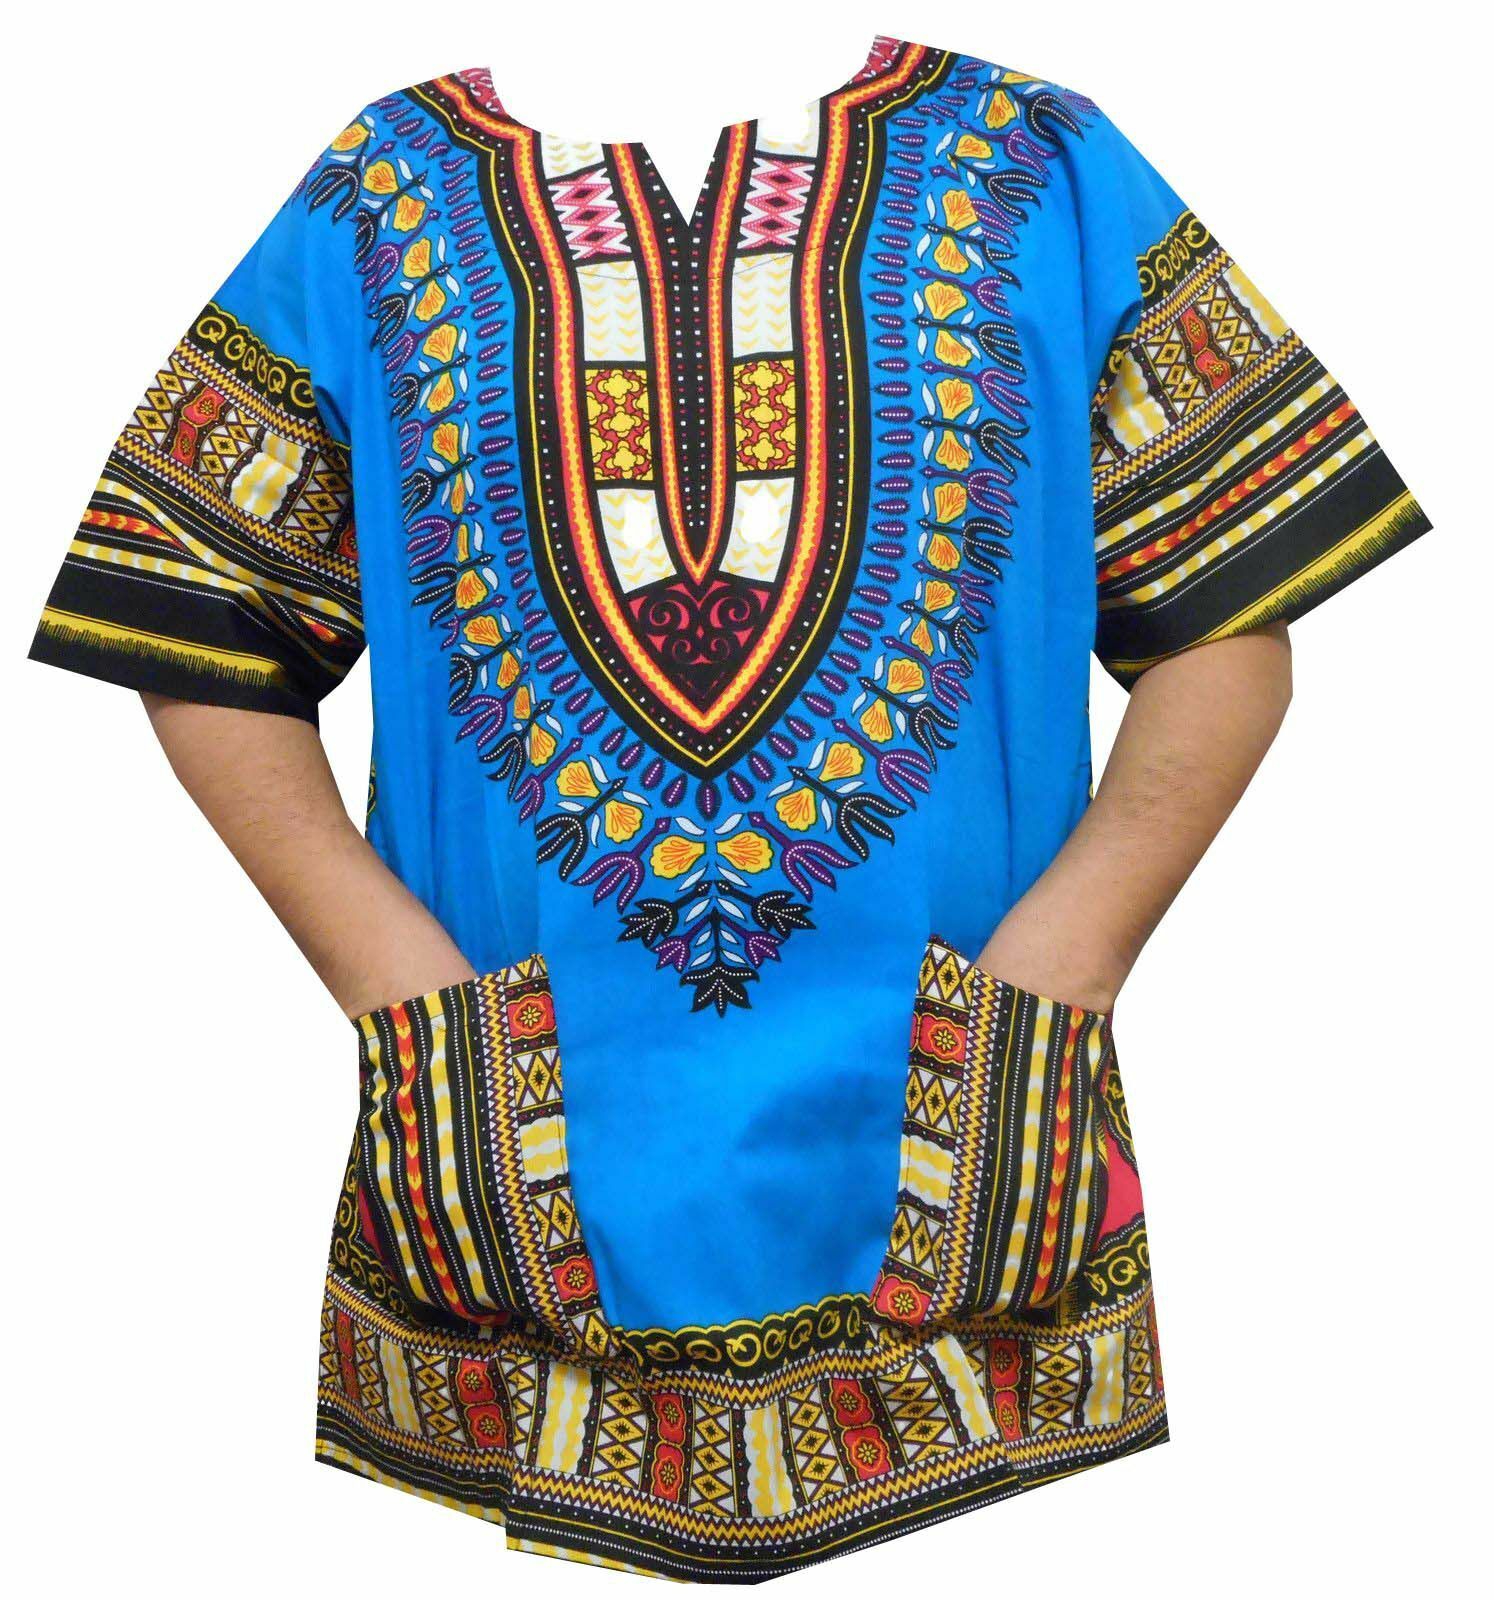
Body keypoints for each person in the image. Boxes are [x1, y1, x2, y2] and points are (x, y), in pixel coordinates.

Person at [26, 35, 1430, 1583]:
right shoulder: (380, 191)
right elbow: (199, 612)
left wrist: (1071, 966)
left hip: (967, 1162)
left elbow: (1226, 620)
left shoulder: (1038, 158)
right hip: (516, 1176)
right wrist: (392, 990)